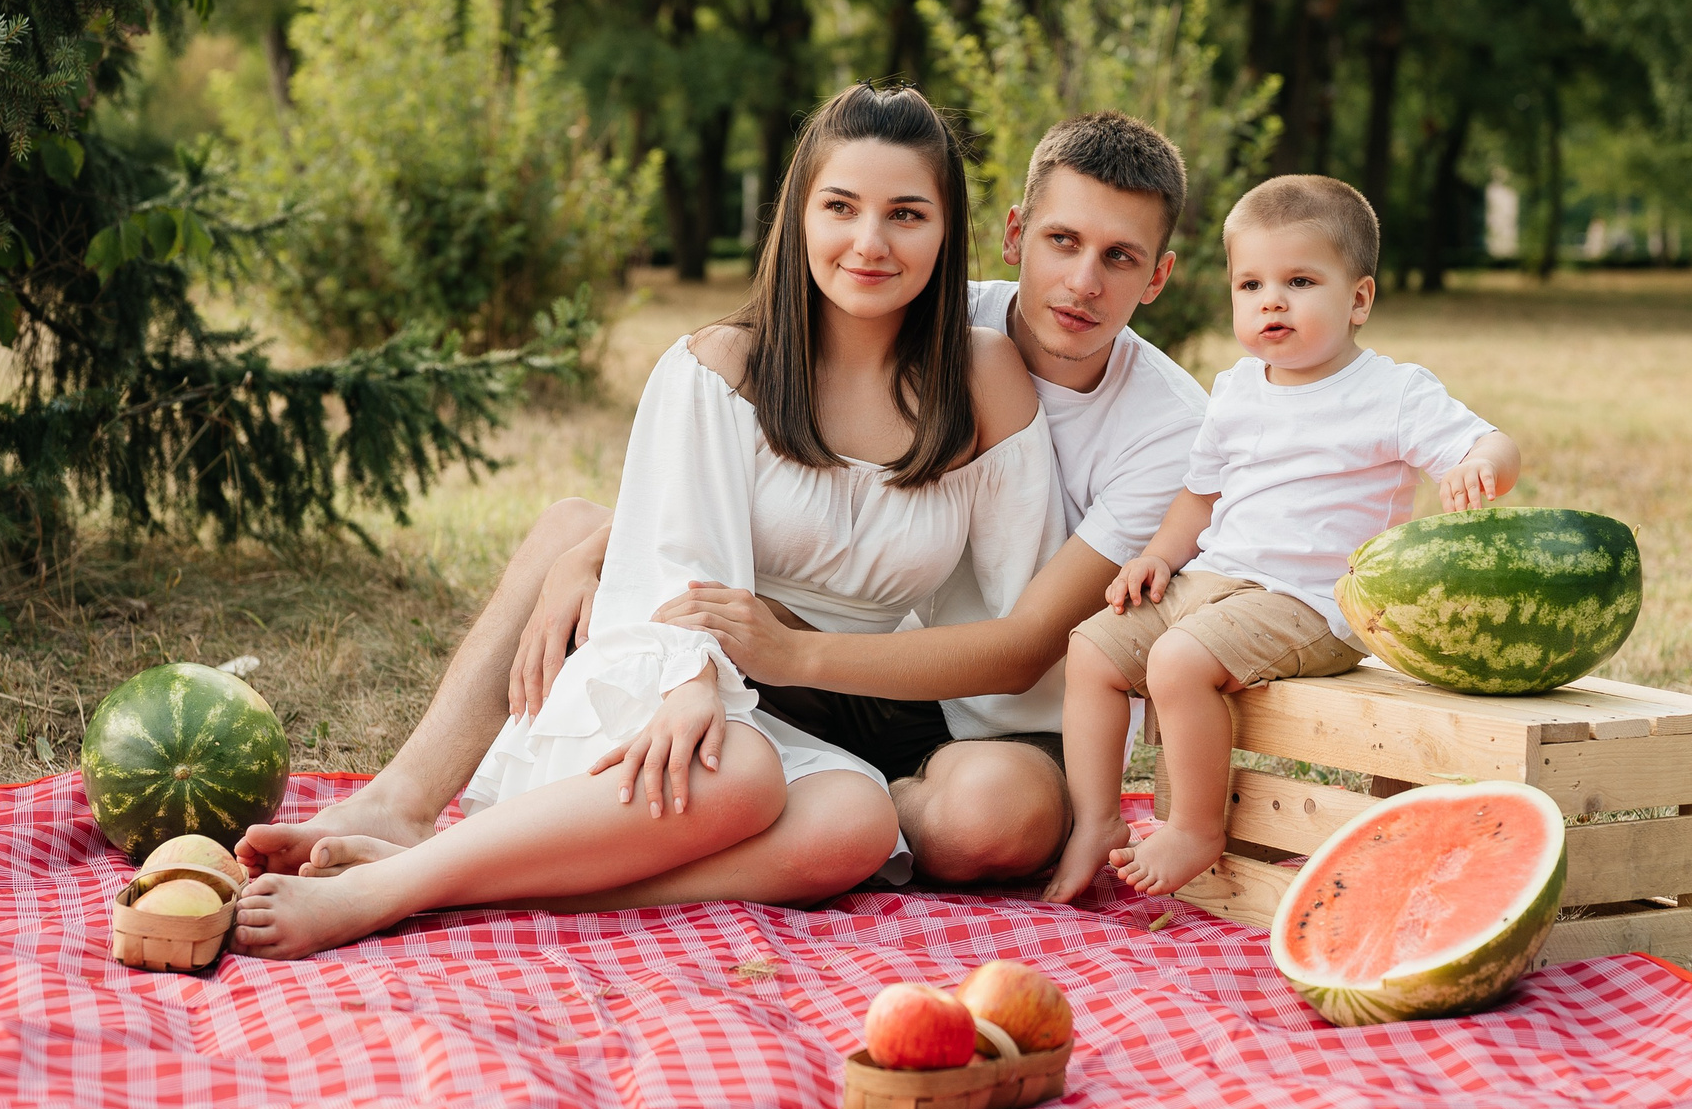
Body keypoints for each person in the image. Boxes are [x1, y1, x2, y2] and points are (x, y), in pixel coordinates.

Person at [238, 111, 1208, 890]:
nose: (1080, 280)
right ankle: (403, 802)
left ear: (1156, 277)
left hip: (950, 689)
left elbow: (1025, 639)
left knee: (966, 819)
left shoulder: (1150, 421)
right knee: (573, 529)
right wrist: (604, 558)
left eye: (1119, 258)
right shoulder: (921, 299)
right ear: (1010, 236)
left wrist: (791, 652)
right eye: (1061, 241)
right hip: (798, 637)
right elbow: (713, 473)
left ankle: (829, 825)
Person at [1044, 174, 1524, 902]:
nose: (1271, 300)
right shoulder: (1237, 389)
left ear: (1358, 298)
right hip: (1212, 583)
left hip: (1311, 603)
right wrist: (1157, 557)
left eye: (1299, 280)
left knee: (1176, 660)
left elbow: (1491, 442)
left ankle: (1197, 827)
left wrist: (1478, 469)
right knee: (1089, 648)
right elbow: (1198, 497)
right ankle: (1098, 820)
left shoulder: (1391, 392)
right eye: (1251, 283)